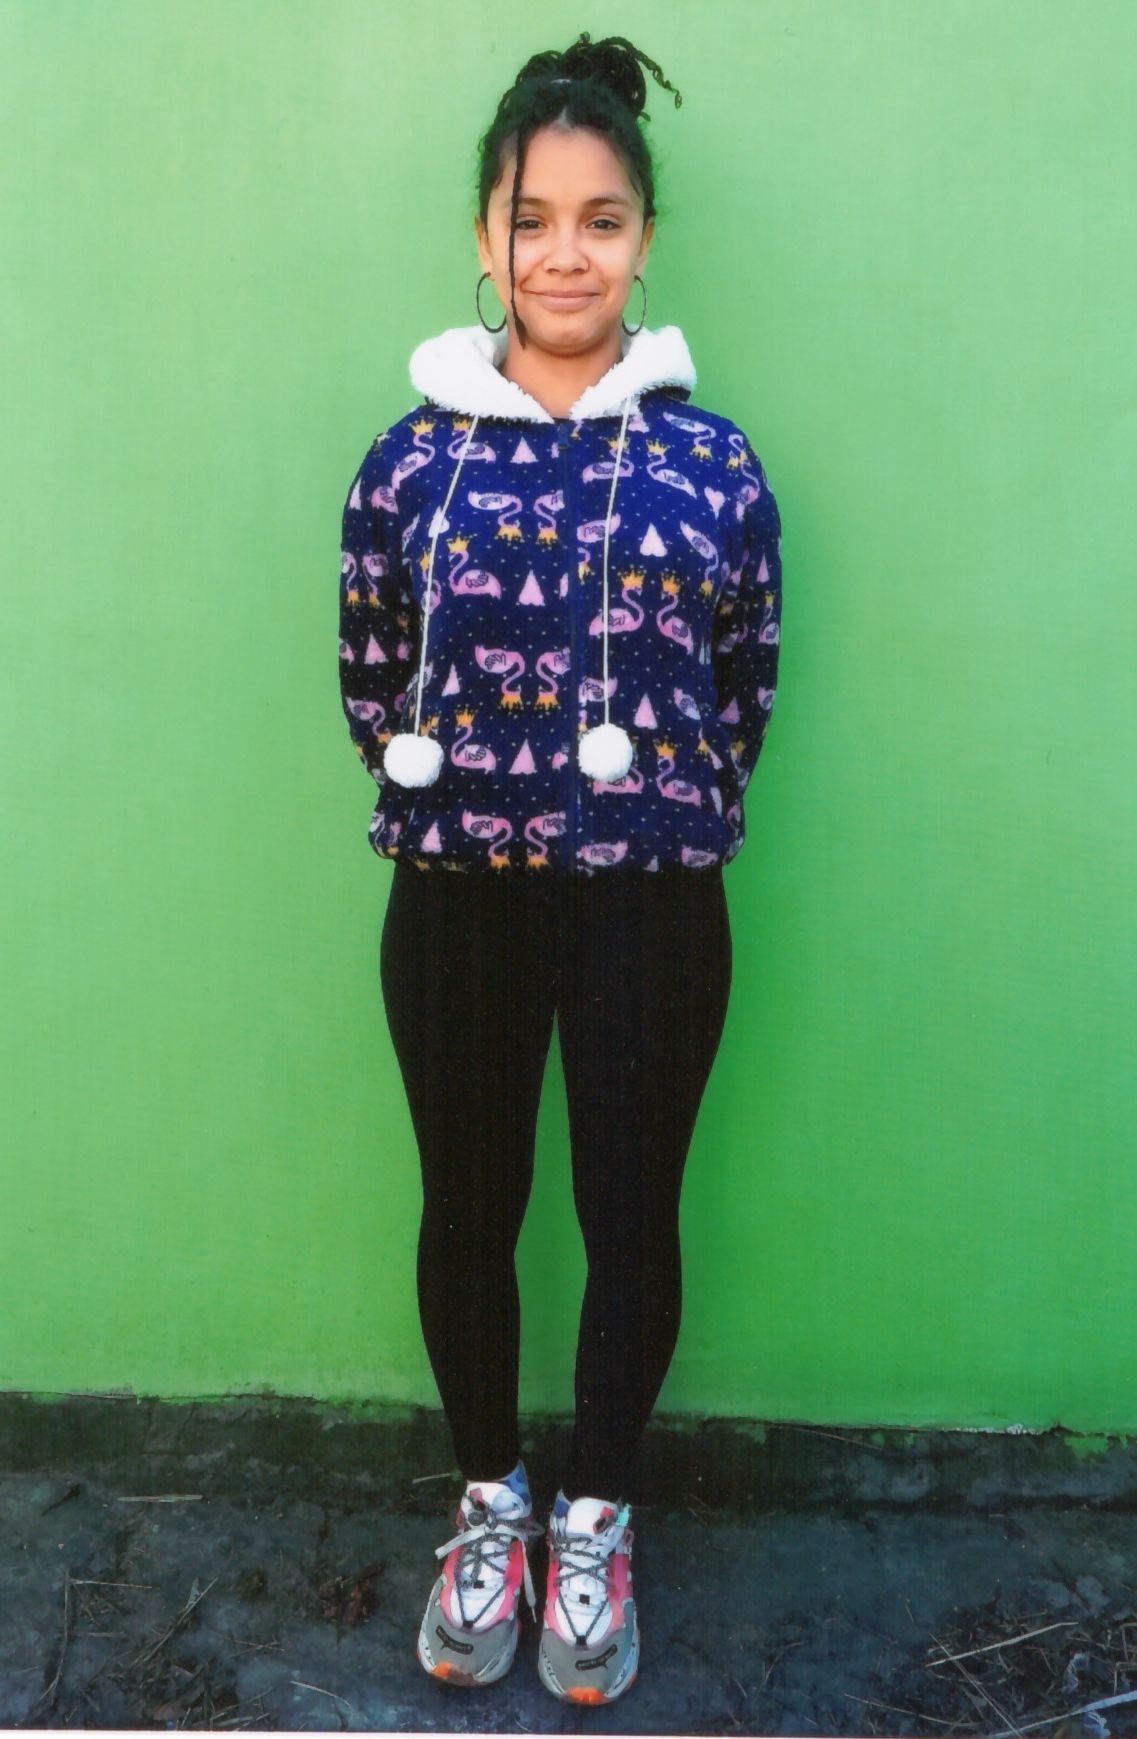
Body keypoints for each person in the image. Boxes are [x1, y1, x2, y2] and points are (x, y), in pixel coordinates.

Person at [337, 31, 783, 1705]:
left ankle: (594, 1518)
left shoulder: (711, 465)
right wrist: (474, 810)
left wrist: (644, 814)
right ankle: (489, 1506)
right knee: (467, 1208)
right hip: (456, 900)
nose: (565, 254)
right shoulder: (405, 462)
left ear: (644, 240)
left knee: (627, 1213)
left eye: (601, 219)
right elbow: (370, 673)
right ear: (483, 237)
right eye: (532, 219)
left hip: (648, 905)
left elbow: (742, 681)